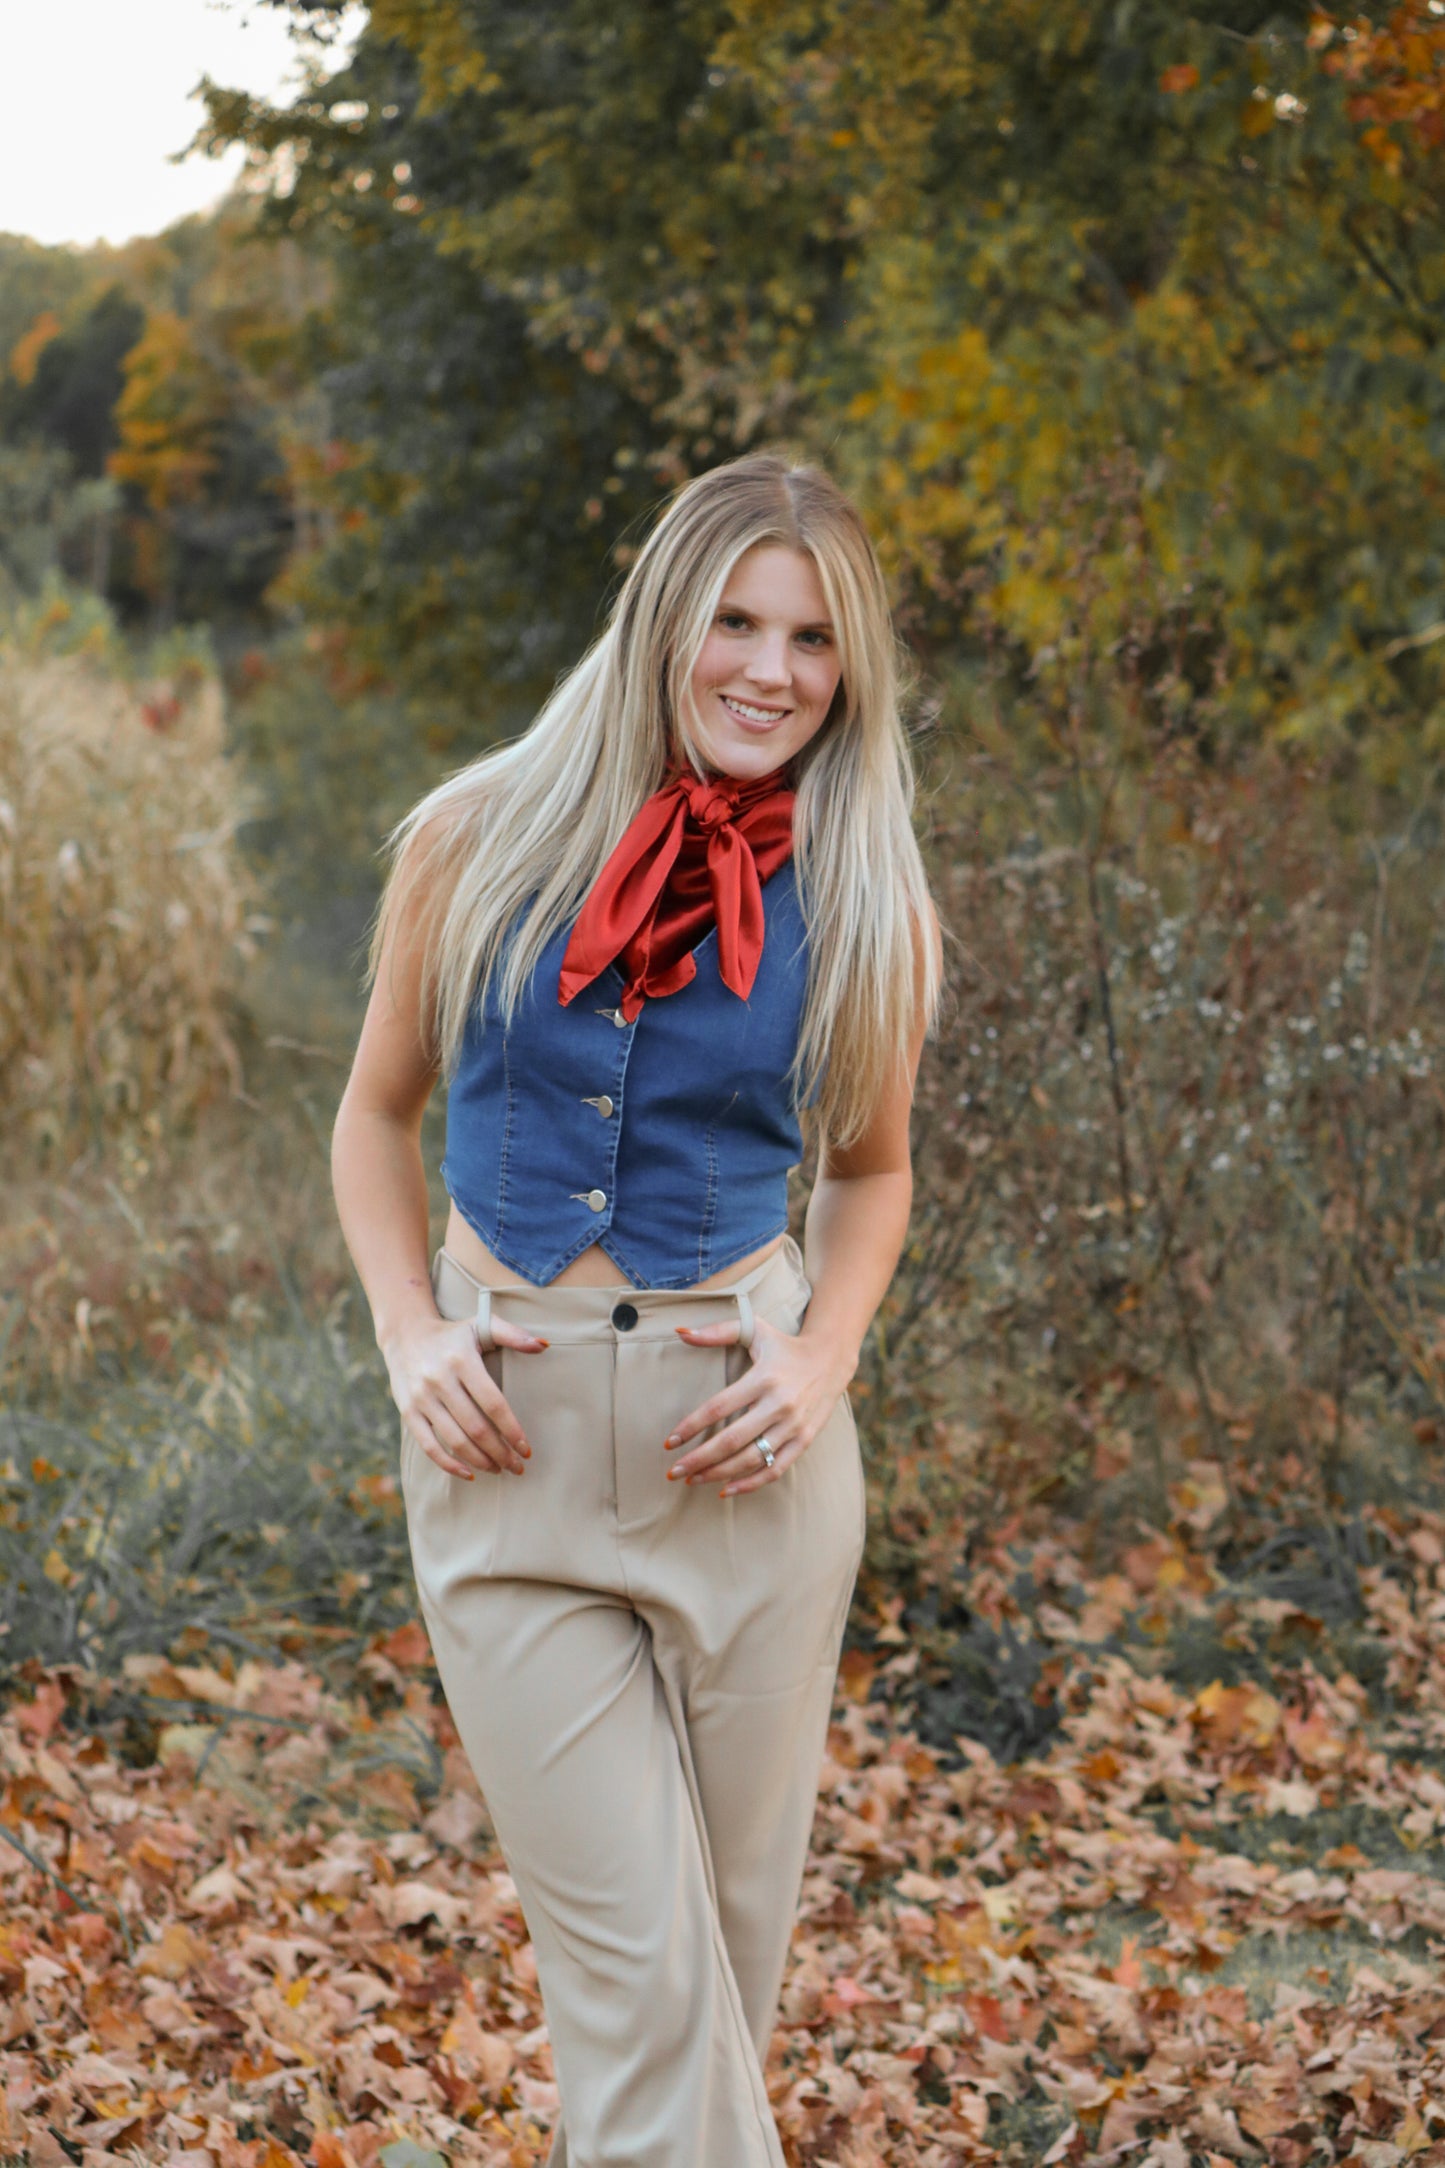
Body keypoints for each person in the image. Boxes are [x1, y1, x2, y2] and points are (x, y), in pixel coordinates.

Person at [330, 451, 942, 2168]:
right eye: (737, 622)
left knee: (718, 1989)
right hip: (506, 1459)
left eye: (814, 639)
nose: (770, 670)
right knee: (645, 2003)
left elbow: (870, 1173)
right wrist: (408, 1333)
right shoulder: (471, 841)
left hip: (744, 1463)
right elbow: (373, 1118)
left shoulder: (871, 894)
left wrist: (822, 1359)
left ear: (852, 668)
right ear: (663, 617)